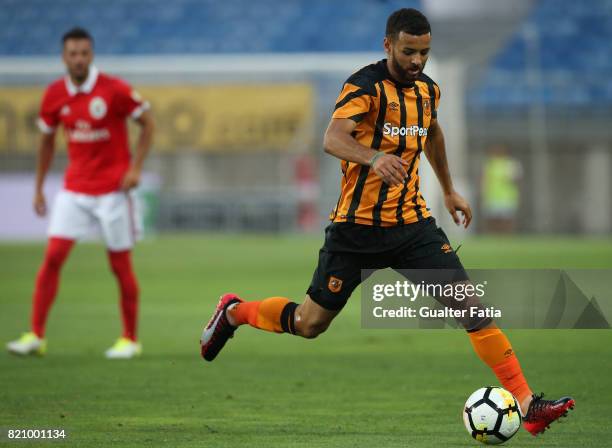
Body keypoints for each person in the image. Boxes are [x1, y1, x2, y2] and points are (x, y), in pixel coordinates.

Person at [200, 9, 573, 436]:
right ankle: (234, 313)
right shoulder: (364, 86)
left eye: (425, 52)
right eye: (409, 51)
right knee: (309, 324)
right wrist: (374, 157)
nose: (417, 61)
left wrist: (448, 189)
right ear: (388, 45)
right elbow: (332, 138)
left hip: (413, 227)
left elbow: (430, 132)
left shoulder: (428, 91)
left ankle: (527, 404)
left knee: (471, 308)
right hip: (355, 230)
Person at [6, 27, 154, 359]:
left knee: (119, 265)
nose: (78, 59)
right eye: (72, 53)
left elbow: (148, 123)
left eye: (84, 53)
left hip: (113, 192)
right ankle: (36, 336)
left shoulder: (114, 90)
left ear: (92, 55)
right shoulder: (54, 95)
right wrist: (39, 188)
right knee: (53, 258)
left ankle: (130, 339)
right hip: (74, 190)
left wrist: (135, 169)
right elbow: (45, 143)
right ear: (63, 57)